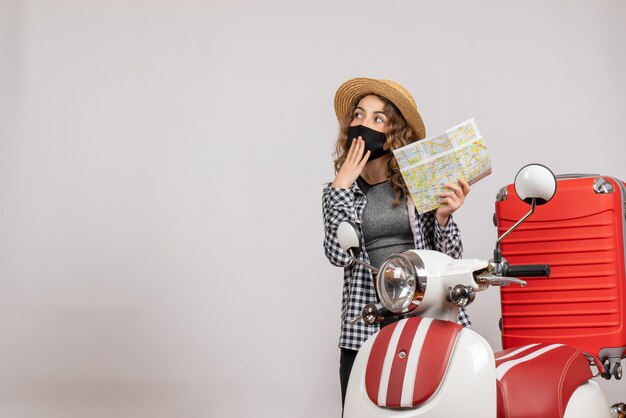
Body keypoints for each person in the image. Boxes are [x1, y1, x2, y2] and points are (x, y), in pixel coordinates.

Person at [322, 77, 471, 408]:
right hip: (368, 321)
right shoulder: (341, 189)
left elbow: (450, 259)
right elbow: (338, 254)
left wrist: (445, 217)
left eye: (378, 119)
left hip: (425, 314)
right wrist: (341, 185)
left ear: (393, 133)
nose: (364, 124)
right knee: (362, 409)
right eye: (358, 115)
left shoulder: (419, 182)